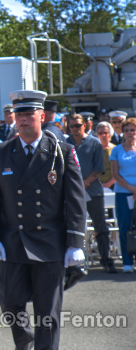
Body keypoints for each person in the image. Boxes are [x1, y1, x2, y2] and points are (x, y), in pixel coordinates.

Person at [0, 90, 86, 350]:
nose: (23, 119)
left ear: (42, 116)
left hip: (49, 242)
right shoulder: (0, 152)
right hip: (12, 242)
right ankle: (24, 341)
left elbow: (75, 199)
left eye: (28, 114)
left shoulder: (62, 152)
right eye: (19, 114)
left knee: (47, 312)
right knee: (10, 302)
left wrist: (76, 242)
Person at [65, 113, 116, 273]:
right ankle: (71, 263)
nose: (74, 129)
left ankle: (106, 261)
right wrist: (76, 185)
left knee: (100, 226)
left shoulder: (94, 143)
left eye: (78, 125)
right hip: (72, 193)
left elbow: (99, 167)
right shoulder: (65, 143)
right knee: (71, 227)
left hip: (93, 192)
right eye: (72, 126)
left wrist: (85, 182)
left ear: (85, 125)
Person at [110, 117, 136, 273]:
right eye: (126, 130)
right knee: (125, 227)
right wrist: (131, 188)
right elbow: (115, 173)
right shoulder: (117, 150)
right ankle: (127, 262)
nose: (130, 133)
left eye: (132, 129)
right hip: (123, 193)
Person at [96, 121, 116, 188]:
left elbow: (119, 169)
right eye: (100, 133)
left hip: (113, 186)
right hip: (96, 186)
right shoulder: (94, 149)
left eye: (105, 133)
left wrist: (108, 184)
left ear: (110, 134)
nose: (102, 135)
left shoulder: (115, 149)